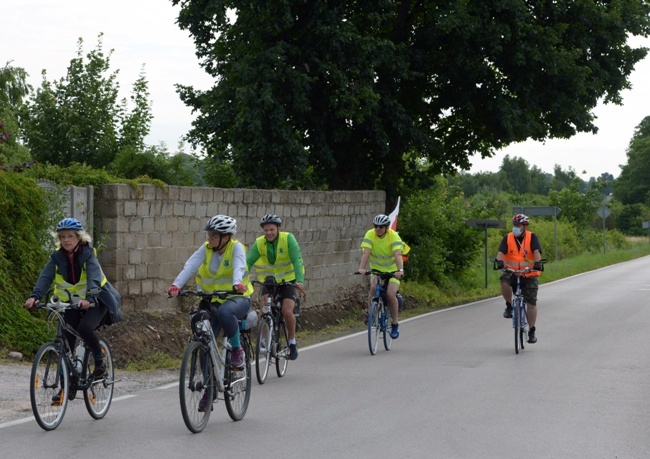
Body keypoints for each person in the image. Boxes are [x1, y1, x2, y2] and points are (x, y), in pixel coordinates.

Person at [25, 218, 123, 394]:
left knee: (85, 328)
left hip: (97, 300)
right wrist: (35, 296)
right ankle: (66, 385)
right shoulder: (57, 257)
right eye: (62, 237)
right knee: (66, 341)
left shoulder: (88, 254)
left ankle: (99, 360)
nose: (66, 240)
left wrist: (91, 297)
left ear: (79, 237)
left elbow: (93, 276)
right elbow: (45, 277)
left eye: (70, 236)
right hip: (70, 304)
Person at [168, 215, 253, 376]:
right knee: (204, 340)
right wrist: (176, 285)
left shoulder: (236, 248)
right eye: (209, 234)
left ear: (226, 237)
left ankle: (236, 350)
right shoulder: (206, 248)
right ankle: (209, 385)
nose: (210, 238)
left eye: (214, 235)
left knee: (225, 312)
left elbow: (239, 267)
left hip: (237, 298)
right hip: (212, 300)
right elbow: (190, 266)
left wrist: (237, 283)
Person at [246, 214, 305, 360]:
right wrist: (238, 281)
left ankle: (292, 342)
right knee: (264, 309)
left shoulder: (288, 238)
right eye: (266, 230)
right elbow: (247, 263)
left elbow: (296, 259)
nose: (269, 233)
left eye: (272, 229)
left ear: (279, 228)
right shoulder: (259, 243)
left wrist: (299, 280)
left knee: (286, 311)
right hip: (269, 282)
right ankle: (264, 339)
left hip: (288, 281)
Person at [495, 214, 543, 344]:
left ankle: (532, 331)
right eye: (514, 225)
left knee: (531, 303)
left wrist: (537, 264)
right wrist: (500, 262)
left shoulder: (532, 237)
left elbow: (537, 252)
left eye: (518, 225)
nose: (515, 227)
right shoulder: (508, 238)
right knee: (504, 282)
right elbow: (501, 253)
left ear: (524, 226)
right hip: (512, 272)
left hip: (529, 273)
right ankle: (509, 306)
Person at [357, 214, 405, 339]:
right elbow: (366, 253)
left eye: (381, 227)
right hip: (377, 270)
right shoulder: (370, 234)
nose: (378, 228)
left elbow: (398, 254)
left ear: (387, 228)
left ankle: (394, 323)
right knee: (373, 289)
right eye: (376, 226)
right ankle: (371, 315)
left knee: (390, 294)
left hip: (392, 271)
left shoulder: (393, 236)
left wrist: (400, 270)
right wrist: (362, 268)